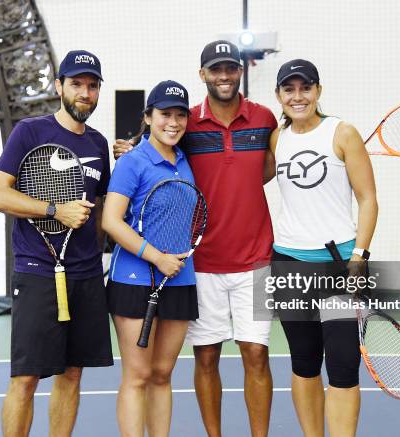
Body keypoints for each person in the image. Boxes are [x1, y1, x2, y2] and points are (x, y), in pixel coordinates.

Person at [114, 41, 277, 437]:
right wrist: (133, 148)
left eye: (231, 68)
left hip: (255, 261)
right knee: (205, 358)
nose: (224, 75)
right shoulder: (187, 127)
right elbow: (155, 151)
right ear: (202, 74)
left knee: (256, 353)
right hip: (200, 266)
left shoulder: (265, 119)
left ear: (241, 72)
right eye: (215, 69)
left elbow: (267, 169)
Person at [0, 50, 113, 437]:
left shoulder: (99, 143)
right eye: (76, 84)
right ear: (59, 87)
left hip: (87, 275)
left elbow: (102, 206)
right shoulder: (30, 132)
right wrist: (54, 210)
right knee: (26, 379)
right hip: (38, 273)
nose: (84, 93)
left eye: (92, 86)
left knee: (72, 374)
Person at [269, 59, 378, 437]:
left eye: (305, 88)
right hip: (288, 264)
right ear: (279, 95)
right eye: (289, 89)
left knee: (344, 365)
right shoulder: (277, 138)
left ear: (318, 91)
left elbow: (368, 199)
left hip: (339, 266)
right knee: (304, 361)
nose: (297, 96)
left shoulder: (343, 133)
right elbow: (236, 170)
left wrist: (359, 256)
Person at [102, 80, 198, 437]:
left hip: (180, 280)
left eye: (179, 115)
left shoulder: (187, 160)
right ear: (148, 117)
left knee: (162, 374)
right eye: (164, 114)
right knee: (138, 375)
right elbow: (111, 221)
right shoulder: (133, 161)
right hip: (135, 281)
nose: (172, 122)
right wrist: (157, 258)